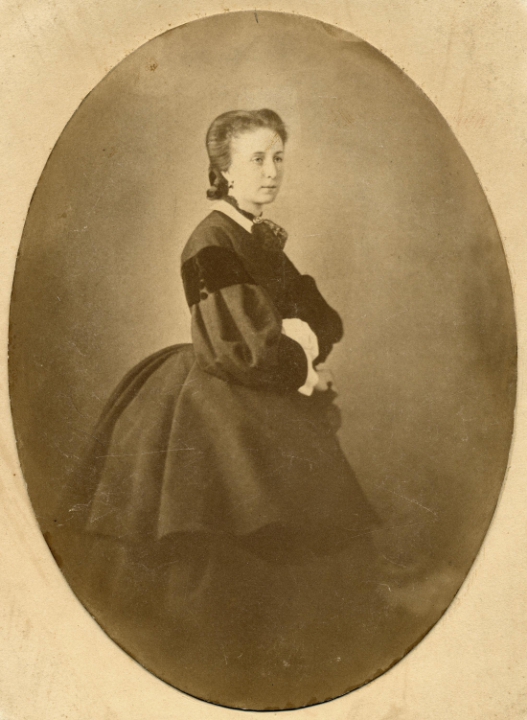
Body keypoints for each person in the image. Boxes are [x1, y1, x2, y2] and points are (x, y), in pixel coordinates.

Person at [56, 109, 386, 710]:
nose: (271, 171)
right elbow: (244, 348)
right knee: (222, 539)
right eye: (256, 159)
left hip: (260, 389)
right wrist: (304, 359)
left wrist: (302, 342)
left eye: (278, 157)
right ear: (224, 170)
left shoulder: (257, 237)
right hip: (219, 396)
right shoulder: (211, 240)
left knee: (291, 539)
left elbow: (321, 317)